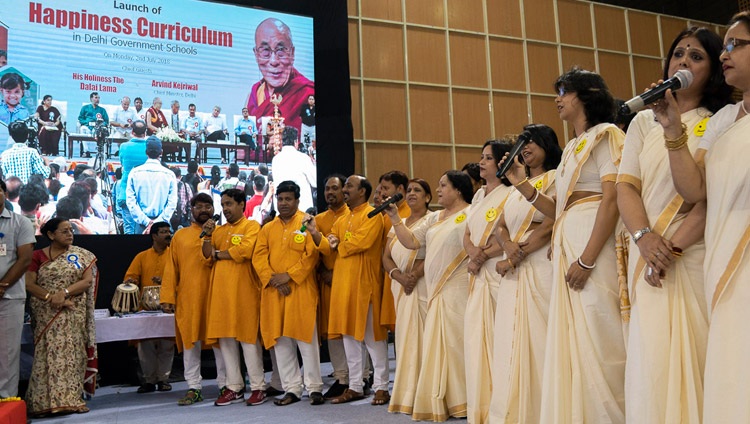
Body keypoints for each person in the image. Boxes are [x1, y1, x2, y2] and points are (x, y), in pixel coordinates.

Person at [616, 27, 730, 424]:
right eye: (678, 53)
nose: (683, 61)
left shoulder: (720, 122)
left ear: (715, 70)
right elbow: (626, 189)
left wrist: (670, 249)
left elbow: (706, 197)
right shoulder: (641, 123)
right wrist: (645, 240)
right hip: (648, 256)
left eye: (696, 56)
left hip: (689, 258)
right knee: (652, 364)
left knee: (694, 360)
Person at [507, 68, 626, 423]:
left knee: (600, 331)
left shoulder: (608, 135)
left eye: (563, 90)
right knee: (573, 339)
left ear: (587, 95)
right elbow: (558, 209)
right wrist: (520, 185)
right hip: (568, 241)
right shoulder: (573, 145)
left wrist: (587, 259)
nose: (557, 98)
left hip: (593, 244)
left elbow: (612, 198)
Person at [652, 12, 750, 422]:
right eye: (724, 46)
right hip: (725, 262)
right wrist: (673, 129)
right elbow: (694, 190)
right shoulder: (725, 120)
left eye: (737, 44)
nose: (725, 53)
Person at [384, 170, 474, 421]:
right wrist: (394, 218)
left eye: (444, 185)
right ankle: (447, 400)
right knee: (440, 346)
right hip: (436, 290)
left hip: (458, 285)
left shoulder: (470, 212)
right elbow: (411, 241)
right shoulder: (435, 217)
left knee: (456, 343)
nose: (440, 189)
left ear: (458, 190)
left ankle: (466, 398)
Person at [489, 125, 561, 423]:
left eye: (531, 141)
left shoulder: (555, 177)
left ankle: (545, 409)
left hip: (539, 265)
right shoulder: (516, 185)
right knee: (511, 336)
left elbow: (552, 219)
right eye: (522, 143)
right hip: (513, 268)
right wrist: (508, 247)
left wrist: (519, 253)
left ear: (548, 144)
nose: (525, 146)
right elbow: (501, 225)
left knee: (540, 335)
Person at [306, 175, 389, 406]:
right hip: (343, 286)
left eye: (349, 186)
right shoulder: (343, 220)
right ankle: (355, 386)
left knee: (373, 339)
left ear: (362, 191)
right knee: (349, 338)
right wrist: (316, 233)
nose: (344, 190)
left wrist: (339, 242)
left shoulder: (373, 215)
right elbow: (329, 246)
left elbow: (358, 244)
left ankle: (381, 386)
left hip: (365, 285)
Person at [253, 181, 324, 406]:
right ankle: (292, 389)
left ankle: (314, 388)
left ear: (297, 201)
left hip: (300, 290)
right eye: (280, 199)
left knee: (306, 340)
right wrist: (273, 279)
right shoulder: (267, 228)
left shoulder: (306, 222)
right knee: (281, 341)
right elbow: (258, 257)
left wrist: (290, 276)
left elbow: (311, 255)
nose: (283, 203)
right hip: (275, 292)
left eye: (288, 199)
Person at [462, 139, 515, 424]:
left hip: (497, 268)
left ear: (501, 163)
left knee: (498, 337)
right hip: (478, 271)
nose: (481, 163)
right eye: (481, 157)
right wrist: (473, 253)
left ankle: (502, 406)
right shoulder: (480, 195)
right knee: (476, 339)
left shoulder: (510, 192)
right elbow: (467, 232)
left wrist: (482, 256)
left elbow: (507, 232)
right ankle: (481, 407)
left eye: (487, 158)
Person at [202, 188, 267, 406]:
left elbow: (245, 252)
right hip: (221, 294)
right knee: (226, 341)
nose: (225, 209)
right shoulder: (218, 231)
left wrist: (220, 254)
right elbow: (206, 256)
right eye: (223, 205)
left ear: (241, 205)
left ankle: (258, 387)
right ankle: (234, 387)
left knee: (249, 340)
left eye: (229, 204)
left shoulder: (251, 226)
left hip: (244, 293)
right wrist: (208, 236)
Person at [24, 218, 96, 416]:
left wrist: (63, 293)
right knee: (45, 355)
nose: (70, 234)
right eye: (64, 231)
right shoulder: (37, 256)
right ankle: (41, 403)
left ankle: (72, 400)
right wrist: (51, 298)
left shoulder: (81, 255)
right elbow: (29, 284)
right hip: (46, 313)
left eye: (71, 230)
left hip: (73, 312)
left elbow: (87, 281)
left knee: (72, 355)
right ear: (50, 235)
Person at [161, 192, 227, 406]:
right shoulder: (180, 236)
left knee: (221, 342)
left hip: (217, 296)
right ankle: (193, 387)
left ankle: (226, 384)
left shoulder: (222, 232)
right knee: (191, 343)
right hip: (189, 298)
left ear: (213, 209)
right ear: (191, 210)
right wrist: (168, 297)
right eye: (198, 207)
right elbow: (172, 268)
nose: (203, 210)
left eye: (207, 206)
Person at [384, 178, 432, 415]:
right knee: (403, 337)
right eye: (409, 190)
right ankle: (405, 392)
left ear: (427, 197)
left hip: (422, 285)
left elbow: (434, 251)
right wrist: (399, 276)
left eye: (418, 190)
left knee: (422, 336)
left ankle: (424, 392)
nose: (412, 193)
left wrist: (413, 276)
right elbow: (386, 257)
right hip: (400, 286)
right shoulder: (398, 223)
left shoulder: (433, 219)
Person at [122, 222, 175, 393]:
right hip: (145, 308)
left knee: (167, 345)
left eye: (169, 231)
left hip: (168, 307)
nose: (168, 234)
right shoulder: (142, 257)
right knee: (146, 346)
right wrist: (131, 281)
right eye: (163, 232)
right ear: (154, 236)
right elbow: (129, 277)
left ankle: (163, 379)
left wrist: (166, 282)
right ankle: (149, 381)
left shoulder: (174, 255)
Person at [311, 174, 350, 398]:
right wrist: (324, 272)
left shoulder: (353, 216)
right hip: (326, 282)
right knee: (333, 332)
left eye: (334, 188)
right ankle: (341, 377)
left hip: (348, 281)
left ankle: (361, 376)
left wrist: (338, 273)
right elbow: (312, 253)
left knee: (352, 331)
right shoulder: (319, 220)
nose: (330, 193)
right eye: (327, 189)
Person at [247, 18, 315, 135]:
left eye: (281, 50)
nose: (274, 61)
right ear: (256, 55)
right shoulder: (255, 92)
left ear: (292, 53)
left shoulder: (307, 92)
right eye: (265, 51)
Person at [0, 179, 35, 399]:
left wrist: (2, 286)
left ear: (4, 193)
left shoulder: (20, 222)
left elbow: (24, 260)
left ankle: (6, 402)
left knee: (8, 353)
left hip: (9, 298)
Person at [377, 170, 410, 333]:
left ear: (400, 189)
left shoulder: (411, 214)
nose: (382, 193)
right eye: (381, 189)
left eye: (386, 188)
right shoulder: (385, 215)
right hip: (391, 274)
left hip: (407, 277)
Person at [126, 137, 178, 234]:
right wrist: (157, 222)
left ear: (146, 152)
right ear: (161, 152)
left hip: (142, 225)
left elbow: (131, 202)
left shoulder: (134, 172)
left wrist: (147, 222)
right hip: (162, 224)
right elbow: (172, 203)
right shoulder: (169, 174)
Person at [271, 127, 316, 212]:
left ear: (282, 142)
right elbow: (315, 182)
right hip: (301, 209)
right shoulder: (303, 158)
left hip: (282, 209)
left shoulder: (275, 159)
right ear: (296, 142)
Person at [116, 120, 149, 234]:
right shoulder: (149, 147)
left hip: (127, 191)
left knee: (129, 229)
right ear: (145, 133)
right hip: (145, 193)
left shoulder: (124, 146)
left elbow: (122, 164)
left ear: (132, 132)